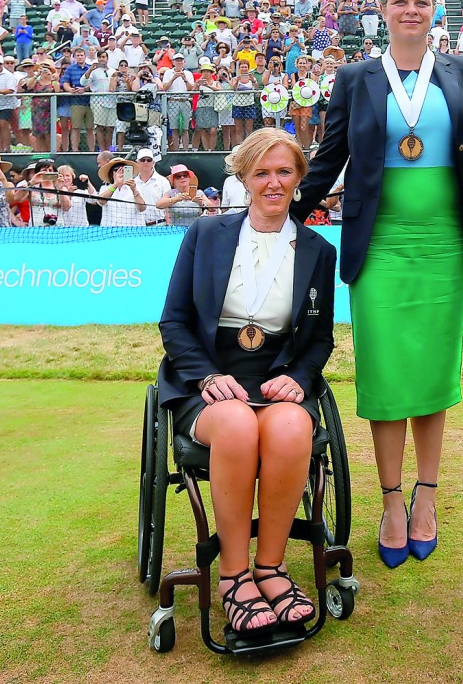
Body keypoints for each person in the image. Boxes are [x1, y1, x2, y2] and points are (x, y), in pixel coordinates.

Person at [292, 0, 463, 569]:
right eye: (401, 2)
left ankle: (427, 497)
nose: (412, 10)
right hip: (377, 247)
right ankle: (392, 502)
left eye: (422, 2)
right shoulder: (354, 78)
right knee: (384, 376)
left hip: (443, 245)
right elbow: (328, 160)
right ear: (382, 10)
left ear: (436, 10)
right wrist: (282, 211)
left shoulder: (462, 72)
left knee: (432, 374)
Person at [158, 128, 333, 635]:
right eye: (262, 173)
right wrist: (207, 375)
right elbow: (174, 321)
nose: (273, 182)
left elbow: (319, 338)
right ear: (244, 177)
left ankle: (271, 568)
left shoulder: (318, 250)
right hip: (208, 376)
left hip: (275, 374)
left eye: (284, 171)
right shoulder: (206, 235)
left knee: (293, 430)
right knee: (235, 425)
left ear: (299, 178)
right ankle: (234, 574)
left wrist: (300, 377)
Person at [96, 156, 146, 226]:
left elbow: (142, 208)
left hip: (132, 231)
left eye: (124, 169)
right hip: (110, 230)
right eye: (116, 169)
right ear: (111, 174)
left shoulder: (137, 186)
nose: (120, 171)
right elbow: (101, 201)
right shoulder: (105, 188)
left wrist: (134, 190)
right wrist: (116, 184)